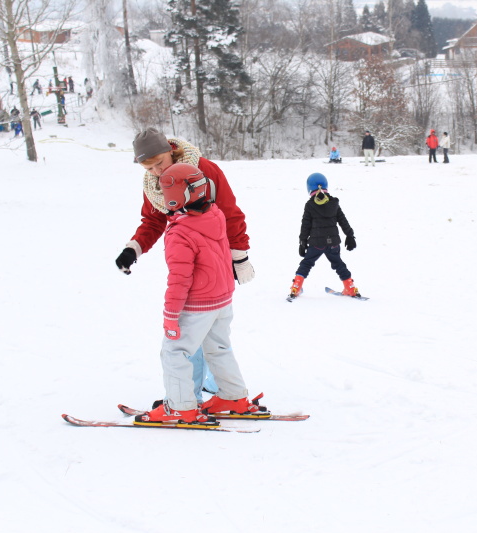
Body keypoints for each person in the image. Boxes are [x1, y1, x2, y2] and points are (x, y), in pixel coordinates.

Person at [116, 128, 257, 406]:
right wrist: (134, 248)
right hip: (190, 258)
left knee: (192, 334)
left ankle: (188, 401)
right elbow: (153, 221)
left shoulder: (205, 170)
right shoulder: (154, 184)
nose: (156, 171)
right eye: (148, 167)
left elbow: (230, 214)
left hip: (216, 260)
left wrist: (239, 257)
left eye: (159, 163)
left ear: (170, 149)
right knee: (206, 334)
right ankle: (198, 395)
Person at [133, 163, 266, 425]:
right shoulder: (214, 215)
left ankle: (181, 407)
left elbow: (180, 279)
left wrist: (171, 315)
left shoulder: (181, 232)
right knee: (218, 347)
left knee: (174, 351)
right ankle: (233, 396)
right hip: (222, 300)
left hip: (197, 305)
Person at [289, 173, 361, 299]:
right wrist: (350, 235)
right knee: (338, 264)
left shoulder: (310, 205)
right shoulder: (334, 203)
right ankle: (350, 288)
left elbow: (305, 225)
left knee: (306, 263)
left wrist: (302, 242)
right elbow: (343, 221)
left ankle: (296, 287)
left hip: (316, 244)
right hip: (333, 243)